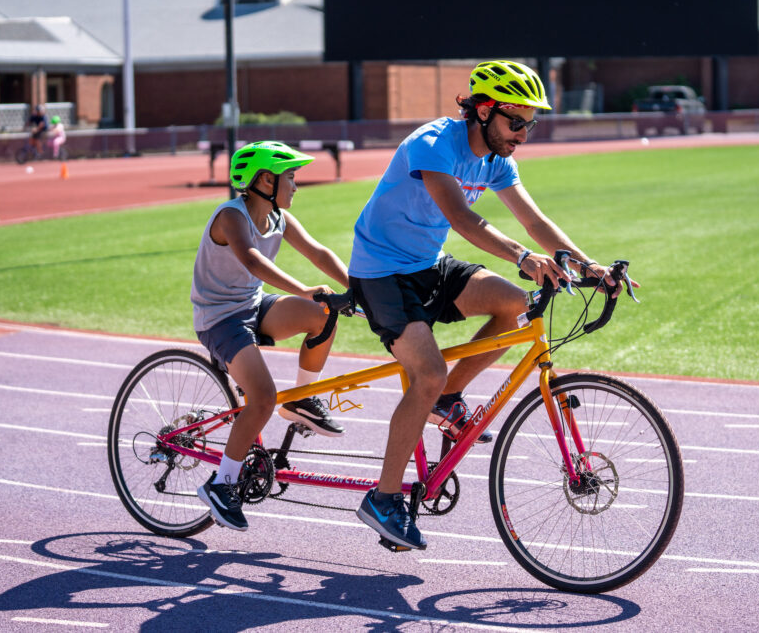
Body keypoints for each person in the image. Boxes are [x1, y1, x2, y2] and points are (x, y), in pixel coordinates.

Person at [349, 60, 632, 550]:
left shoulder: (499, 160)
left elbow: (534, 220)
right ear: (482, 111)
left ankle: (443, 400)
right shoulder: (434, 143)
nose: (523, 133)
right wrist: (523, 257)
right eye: (515, 121)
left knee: (513, 306)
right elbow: (461, 217)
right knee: (428, 370)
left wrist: (589, 266)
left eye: (530, 123)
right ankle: (385, 497)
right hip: (380, 272)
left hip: (427, 264)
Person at [192, 140, 351, 531]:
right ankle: (222, 482)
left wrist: (359, 289)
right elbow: (252, 259)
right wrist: (303, 289)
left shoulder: (278, 217)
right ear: (265, 180)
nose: (296, 186)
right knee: (262, 398)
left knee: (323, 313)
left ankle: (302, 400)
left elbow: (318, 252)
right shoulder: (232, 215)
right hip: (220, 319)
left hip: (253, 305)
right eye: (290, 178)